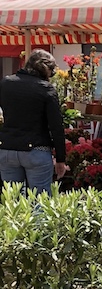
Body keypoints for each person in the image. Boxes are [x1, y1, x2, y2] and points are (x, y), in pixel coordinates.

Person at [0, 49, 66, 194]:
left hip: (7, 148)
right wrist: (61, 158)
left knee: (12, 203)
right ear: (46, 69)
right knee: (40, 203)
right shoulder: (46, 89)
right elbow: (56, 126)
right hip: (36, 150)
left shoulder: (5, 83)